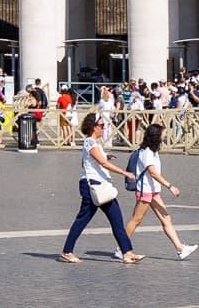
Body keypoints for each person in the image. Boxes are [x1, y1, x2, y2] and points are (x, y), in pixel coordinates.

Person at [59, 112, 141, 264]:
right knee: (82, 220)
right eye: (102, 126)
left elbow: (96, 159)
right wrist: (124, 172)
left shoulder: (94, 144)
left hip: (101, 186)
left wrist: (106, 156)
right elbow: (102, 163)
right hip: (92, 187)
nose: (104, 129)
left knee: (116, 219)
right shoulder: (90, 142)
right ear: (93, 127)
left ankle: (127, 252)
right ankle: (67, 251)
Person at [124, 123, 198, 259]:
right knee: (136, 220)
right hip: (146, 190)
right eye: (163, 133)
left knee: (166, 218)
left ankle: (181, 249)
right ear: (156, 135)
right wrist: (170, 186)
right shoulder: (146, 152)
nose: (165, 135)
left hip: (153, 191)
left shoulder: (153, 151)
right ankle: (121, 248)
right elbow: (153, 173)